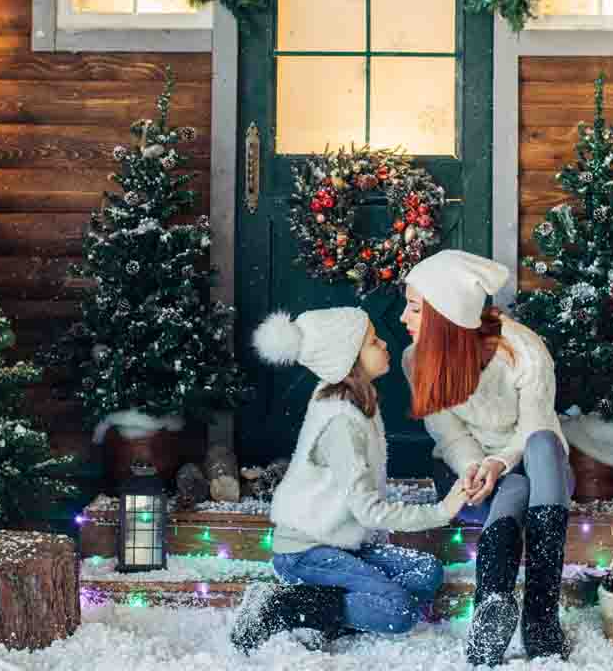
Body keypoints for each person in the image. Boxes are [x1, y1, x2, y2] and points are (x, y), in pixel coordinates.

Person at [230, 306, 468, 654]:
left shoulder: (356, 399)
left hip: (341, 543)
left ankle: (324, 612)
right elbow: (369, 511)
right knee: (398, 610)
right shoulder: (341, 423)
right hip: (306, 551)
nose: (384, 344)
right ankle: (279, 605)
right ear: (348, 359)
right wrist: (443, 511)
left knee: (426, 570)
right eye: (373, 341)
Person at [401, 250, 573, 665]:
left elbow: (534, 426)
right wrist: (477, 468)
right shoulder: (415, 360)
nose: (403, 318)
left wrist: (500, 462)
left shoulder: (523, 352)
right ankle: (492, 603)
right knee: (512, 487)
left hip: (536, 465)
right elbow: (449, 433)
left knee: (544, 445)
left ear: (445, 317)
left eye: (414, 308)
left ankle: (540, 615)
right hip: (472, 473)